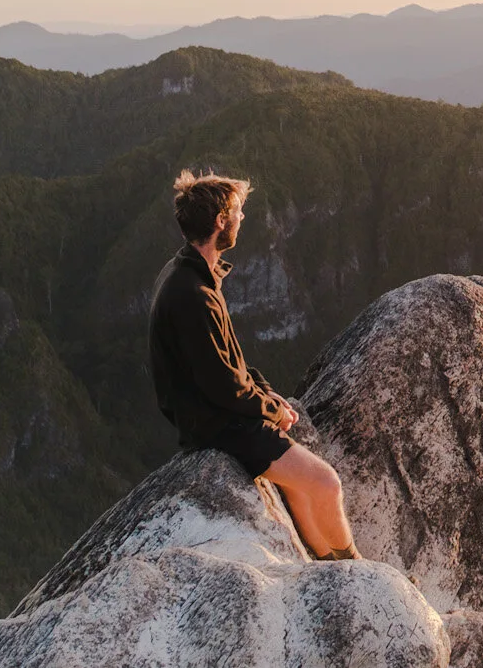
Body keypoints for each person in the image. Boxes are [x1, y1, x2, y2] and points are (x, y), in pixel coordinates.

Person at [148, 169, 359, 561]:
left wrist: (264, 393)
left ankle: (325, 562)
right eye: (238, 212)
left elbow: (227, 358)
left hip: (208, 412)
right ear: (219, 221)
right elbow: (223, 385)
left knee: (298, 484)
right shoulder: (195, 295)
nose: (243, 218)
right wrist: (272, 409)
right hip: (216, 423)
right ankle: (356, 570)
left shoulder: (190, 273)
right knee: (326, 483)